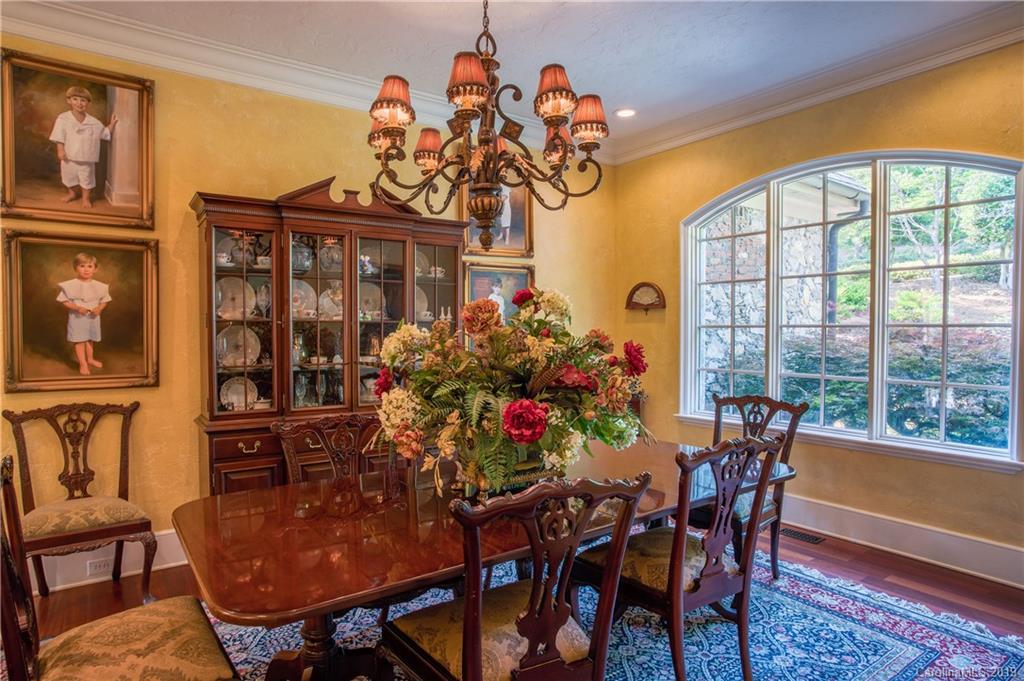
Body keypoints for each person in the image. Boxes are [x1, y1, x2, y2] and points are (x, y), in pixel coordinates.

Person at [48, 86, 118, 209]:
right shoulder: (63, 118)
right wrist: (60, 149)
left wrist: (112, 125)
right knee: (68, 177)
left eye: (83, 100)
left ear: (88, 103)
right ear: (69, 101)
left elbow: (104, 133)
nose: (79, 103)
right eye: (75, 99)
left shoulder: (94, 122)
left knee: (87, 179)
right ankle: (72, 193)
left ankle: (86, 199)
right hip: (68, 156)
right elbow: (59, 135)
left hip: (86, 158)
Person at [56, 253, 111, 375]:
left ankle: (90, 359)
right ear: (76, 268)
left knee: (90, 338)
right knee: (79, 340)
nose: (86, 269)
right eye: (82, 266)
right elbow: (64, 301)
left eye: (90, 266)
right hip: (77, 317)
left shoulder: (100, 286)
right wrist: (76, 307)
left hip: (93, 317)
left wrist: (99, 308)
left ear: (95, 269)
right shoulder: (70, 285)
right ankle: (83, 364)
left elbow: (105, 300)